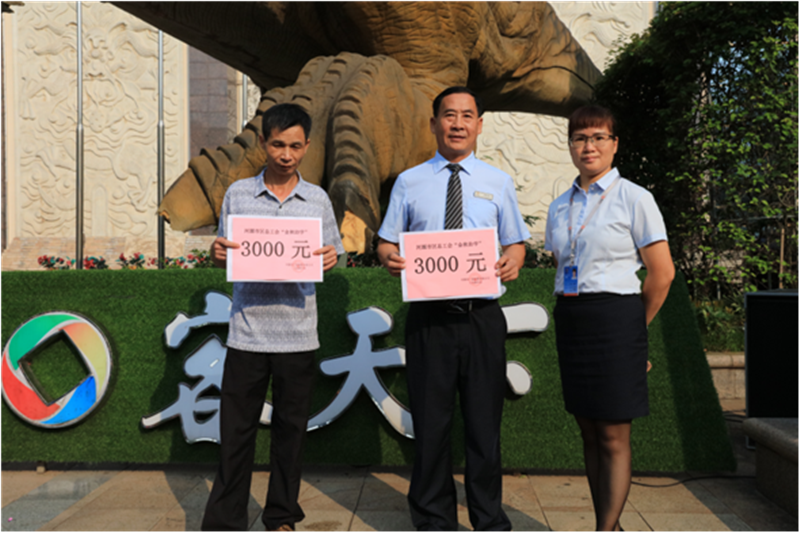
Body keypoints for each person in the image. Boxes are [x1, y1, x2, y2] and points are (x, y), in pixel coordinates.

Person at [377, 86, 530, 531]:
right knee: (431, 424)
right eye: (449, 115)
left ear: (479, 125)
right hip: (429, 319)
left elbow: (516, 242)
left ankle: (488, 518)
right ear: (433, 124)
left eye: (466, 116)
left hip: (482, 318)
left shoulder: (498, 182)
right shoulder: (409, 181)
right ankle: (433, 518)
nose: (457, 124)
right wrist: (390, 257)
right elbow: (386, 241)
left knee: (484, 425)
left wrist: (514, 260)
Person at [201, 103, 344, 532]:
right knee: (235, 434)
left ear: (307, 146)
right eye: (278, 144)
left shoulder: (317, 199)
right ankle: (225, 521)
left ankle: (281, 515)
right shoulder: (239, 194)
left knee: (290, 434)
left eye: (295, 146)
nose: (286, 155)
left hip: (298, 334)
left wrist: (331, 257)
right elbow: (225, 252)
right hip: (247, 333)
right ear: (263, 142)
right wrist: (218, 253)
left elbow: (333, 252)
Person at [544, 105, 675, 531]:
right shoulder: (559, 206)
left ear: (615, 144)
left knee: (614, 435)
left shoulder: (635, 198)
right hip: (573, 318)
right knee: (588, 429)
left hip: (617, 317)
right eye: (580, 138)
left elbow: (662, 274)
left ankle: (604, 529)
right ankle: (611, 524)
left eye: (599, 137)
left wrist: (635, 329)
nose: (589, 146)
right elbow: (562, 262)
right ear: (570, 145)